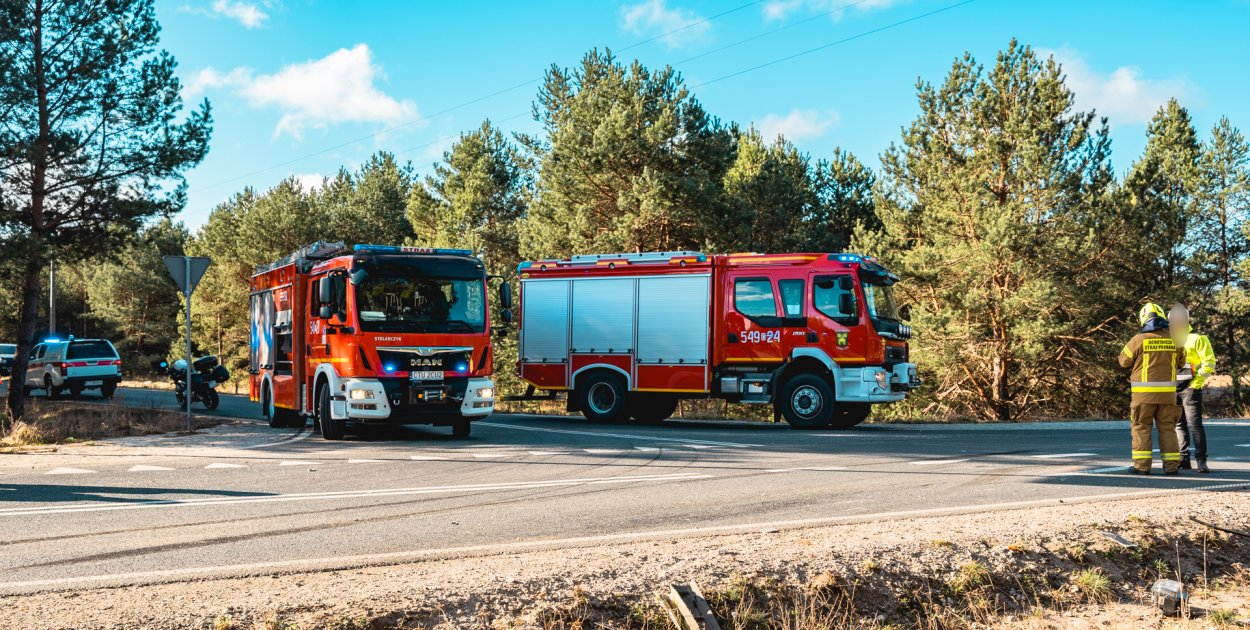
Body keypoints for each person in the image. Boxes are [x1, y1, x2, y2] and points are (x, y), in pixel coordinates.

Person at [1118, 303, 1187, 475]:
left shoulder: (1138, 340)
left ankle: (1141, 467)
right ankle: (1172, 467)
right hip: (1168, 397)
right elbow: (1182, 363)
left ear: (1143, 319)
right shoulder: (1174, 339)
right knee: (1168, 429)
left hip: (1144, 396)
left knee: (1141, 428)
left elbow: (1123, 361)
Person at [1168, 304, 1216, 474]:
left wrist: (1196, 383)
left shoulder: (1197, 339)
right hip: (1173, 388)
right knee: (1179, 425)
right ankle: (1184, 459)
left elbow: (1209, 362)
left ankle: (1201, 461)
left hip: (1190, 388)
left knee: (1195, 425)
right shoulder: (1168, 340)